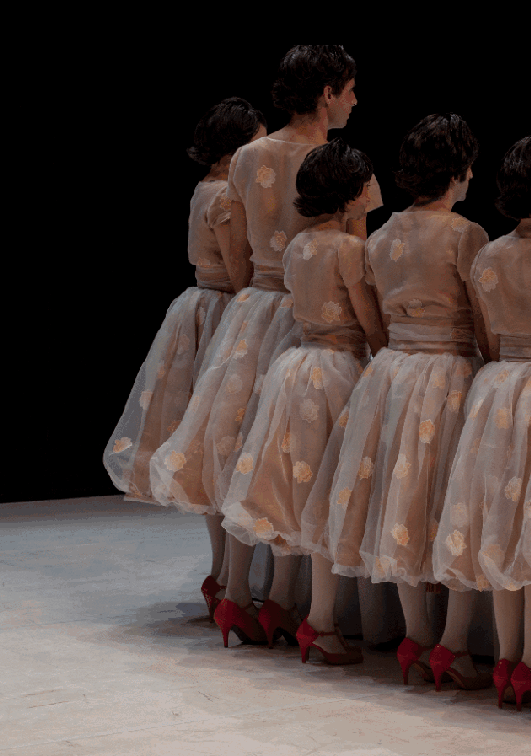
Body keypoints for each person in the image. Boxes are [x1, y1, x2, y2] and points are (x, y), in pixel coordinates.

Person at [150, 46, 379, 642]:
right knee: (301, 460)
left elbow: (240, 255)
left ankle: (235, 590)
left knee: (245, 453)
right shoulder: (341, 166)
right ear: (327, 93)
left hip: (253, 313)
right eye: (349, 90)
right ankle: (284, 599)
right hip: (313, 321)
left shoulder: (248, 157)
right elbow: (359, 257)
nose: (355, 101)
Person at [304, 114, 492, 689]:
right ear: (457, 171)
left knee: (405, 505)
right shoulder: (466, 235)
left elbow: (380, 318)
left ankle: (418, 634)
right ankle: (453, 644)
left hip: (394, 375)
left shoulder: (380, 237)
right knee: (457, 506)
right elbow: (482, 321)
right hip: (450, 373)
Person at [432, 134, 531, 711]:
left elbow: (489, 339)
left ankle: (506, 661)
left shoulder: (488, 256)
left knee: (504, 525)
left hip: (499, 390)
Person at [218, 138, 386, 660]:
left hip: (295, 366)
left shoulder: (296, 247)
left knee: (298, 485)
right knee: (328, 493)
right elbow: (367, 321)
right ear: (351, 194)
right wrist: (387, 356)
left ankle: (278, 603)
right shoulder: (349, 250)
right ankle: (322, 620)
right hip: (336, 368)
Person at [104, 97, 266, 620]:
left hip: (199, 309)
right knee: (224, 442)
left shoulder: (204, 188)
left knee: (214, 446)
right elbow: (241, 273)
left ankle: (221, 572)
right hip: (222, 313)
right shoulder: (226, 196)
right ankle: (226, 575)